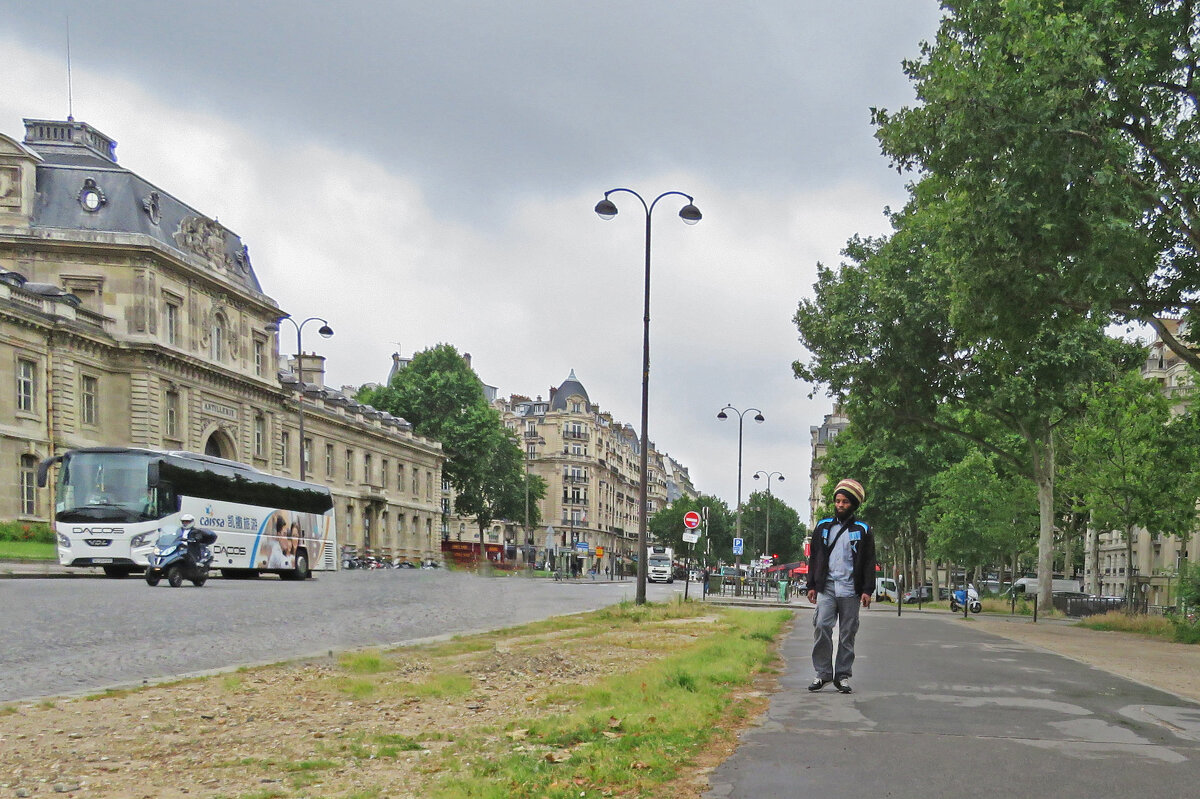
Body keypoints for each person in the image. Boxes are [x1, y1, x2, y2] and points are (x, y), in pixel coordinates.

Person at [805, 478, 875, 694]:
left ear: (853, 504)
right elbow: (814, 557)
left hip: (851, 591)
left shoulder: (863, 529)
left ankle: (842, 676)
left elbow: (869, 561)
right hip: (827, 588)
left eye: (845, 502)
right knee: (822, 626)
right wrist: (812, 585)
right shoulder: (823, 527)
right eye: (838, 501)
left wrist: (866, 590)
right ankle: (823, 673)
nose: (840, 505)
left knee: (847, 633)